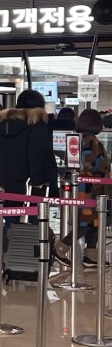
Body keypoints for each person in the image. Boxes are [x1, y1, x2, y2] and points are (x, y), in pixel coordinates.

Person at [0, 89, 58, 242]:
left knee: (10, 220)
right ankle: (35, 257)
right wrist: (38, 180)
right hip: (32, 183)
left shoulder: (3, 124)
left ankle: (7, 256)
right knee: (36, 220)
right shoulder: (37, 123)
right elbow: (37, 153)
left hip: (8, 180)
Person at [54, 109, 108, 268]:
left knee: (95, 221)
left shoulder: (81, 139)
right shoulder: (90, 141)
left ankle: (91, 255)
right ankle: (61, 247)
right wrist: (104, 170)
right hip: (89, 188)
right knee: (87, 222)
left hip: (87, 187)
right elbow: (89, 164)